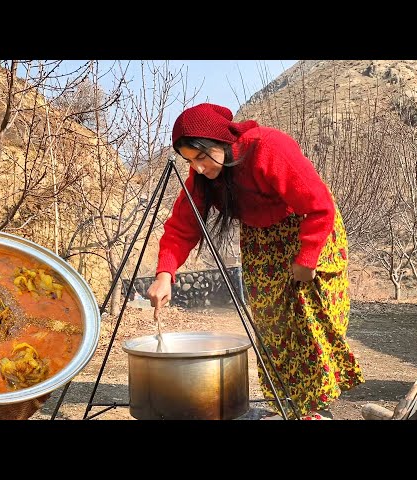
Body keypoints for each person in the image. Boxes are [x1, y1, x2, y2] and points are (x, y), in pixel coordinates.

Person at [146, 103, 364, 420]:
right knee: (272, 324)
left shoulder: (267, 148)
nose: (198, 168)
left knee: (313, 316)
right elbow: (181, 227)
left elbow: (319, 206)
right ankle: (292, 406)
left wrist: (306, 257)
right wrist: (165, 273)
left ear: (220, 142)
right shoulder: (202, 177)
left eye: (202, 157)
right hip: (262, 241)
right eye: (190, 161)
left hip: (309, 228)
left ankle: (317, 405)